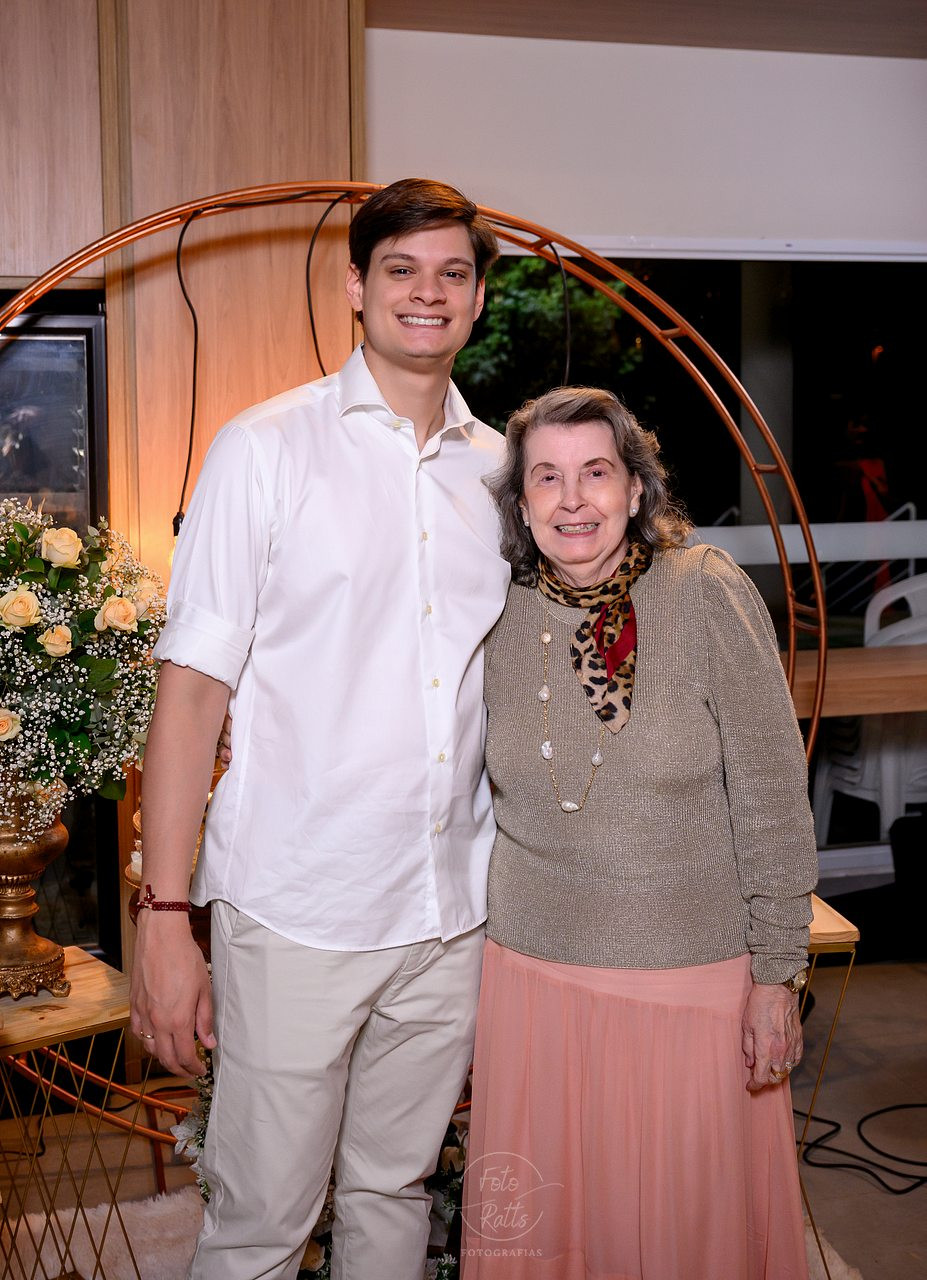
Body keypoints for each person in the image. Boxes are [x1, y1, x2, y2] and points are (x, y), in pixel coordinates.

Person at [130, 178, 512, 1280]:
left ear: (478, 296)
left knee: (395, 1193)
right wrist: (164, 917)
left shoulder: (500, 470)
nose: (427, 293)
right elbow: (190, 695)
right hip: (300, 904)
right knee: (261, 1222)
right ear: (354, 285)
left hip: (451, 908)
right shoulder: (264, 448)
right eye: (401, 270)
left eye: (452, 272)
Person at [461, 386, 817, 1280]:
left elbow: (772, 790)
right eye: (546, 478)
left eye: (595, 473)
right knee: (555, 1233)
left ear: (634, 489)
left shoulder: (702, 590)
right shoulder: (489, 611)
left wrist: (777, 972)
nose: (572, 500)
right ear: (520, 504)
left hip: (690, 984)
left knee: (683, 1232)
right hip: (532, 982)